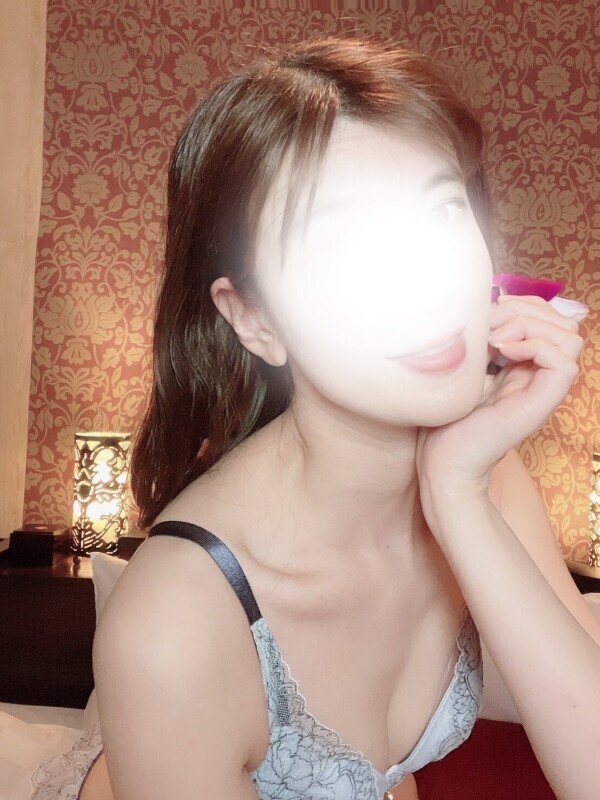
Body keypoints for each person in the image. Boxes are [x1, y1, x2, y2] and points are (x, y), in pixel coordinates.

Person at [31, 35, 600, 800]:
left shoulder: (483, 473)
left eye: (440, 213)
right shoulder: (175, 622)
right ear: (255, 319)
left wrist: (457, 494)